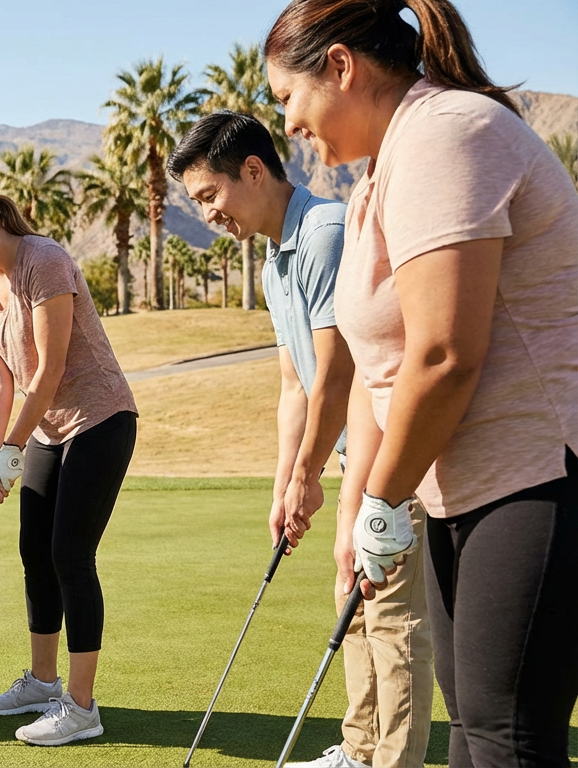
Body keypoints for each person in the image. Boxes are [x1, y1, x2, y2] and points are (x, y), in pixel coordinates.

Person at [266, 0, 578, 765]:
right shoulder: (380, 177)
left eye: (288, 98)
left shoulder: (447, 133)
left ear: (340, 66)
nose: (290, 125)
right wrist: (357, 511)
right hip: (462, 489)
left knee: (508, 736)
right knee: (472, 728)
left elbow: (443, 354)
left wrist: (383, 500)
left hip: (540, 473)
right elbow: (383, 372)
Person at [169, 111, 432, 768]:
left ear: (253, 171)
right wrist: (287, 481)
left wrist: (312, 481)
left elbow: (338, 378)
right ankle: (359, 748)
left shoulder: (325, 235)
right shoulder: (272, 257)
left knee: (390, 613)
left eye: (209, 196)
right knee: (353, 595)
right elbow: (295, 382)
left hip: (398, 450)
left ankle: (390, 760)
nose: (207, 215)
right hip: (351, 452)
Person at [0, 175, 137, 747]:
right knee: (33, 553)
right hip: (47, 430)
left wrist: (13, 447)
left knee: (71, 554)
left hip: (101, 420)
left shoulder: (43, 260)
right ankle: (43, 682)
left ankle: (82, 709)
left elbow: (49, 372)